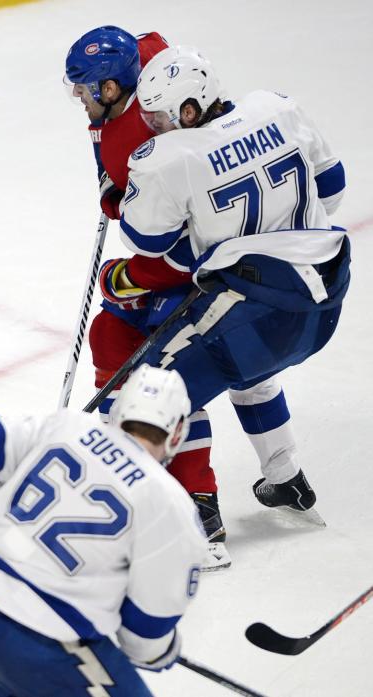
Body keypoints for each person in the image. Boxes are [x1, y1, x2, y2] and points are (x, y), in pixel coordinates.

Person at [64, 27, 309, 567]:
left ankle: (196, 506)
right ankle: (286, 473)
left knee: (150, 356)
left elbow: (161, 251)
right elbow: (149, 41)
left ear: (111, 89)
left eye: (85, 89)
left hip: (203, 269)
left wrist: (118, 268)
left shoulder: (146, 148)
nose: (79, 99)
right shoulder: (153, 70)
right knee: (246, 357)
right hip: (271, 267)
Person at [118, 45, 348, 513]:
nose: (155, 128)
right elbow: (334, 191)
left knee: (156, 385)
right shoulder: (277, 107)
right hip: (324, 301)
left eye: (161, 117)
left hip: (257, 316)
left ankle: (195, 514)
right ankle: (286, 476)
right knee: (250, 367)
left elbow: (146, 240)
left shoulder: (171, 156)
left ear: (189, 108)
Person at [0, 365, 207, 697]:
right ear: (177, 433)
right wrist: (162, 650)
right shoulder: (172, 505)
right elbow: (145, 635)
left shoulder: (68, 426)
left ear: (118, 408)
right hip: (41, 639)